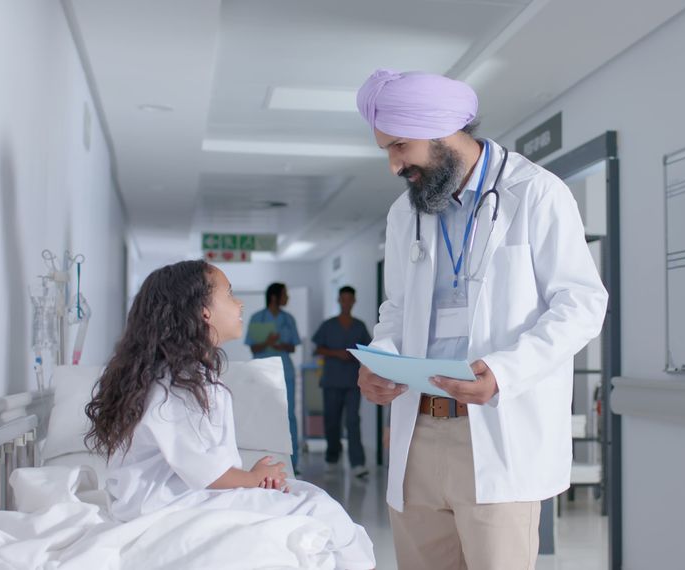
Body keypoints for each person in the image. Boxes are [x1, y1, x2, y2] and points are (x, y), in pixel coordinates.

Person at [355, 69, 609, 569]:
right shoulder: (407, 212)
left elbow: (581, 303)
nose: (394, 165)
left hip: (496, 430)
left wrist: (504, 372)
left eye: (400, 146)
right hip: (419, 432)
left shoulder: (536, 193)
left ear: (443, 133)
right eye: (387, 149)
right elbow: (397, 310)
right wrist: (381, 358)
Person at [83, 260, 375, 569]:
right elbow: (202, 470)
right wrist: (252, 478)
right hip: (167, 505)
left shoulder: (184, 376)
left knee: (310, 497)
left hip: (178, 494)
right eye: (230, 294)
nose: (240, 304)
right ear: (203, 311)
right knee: (318, 507)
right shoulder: (174, 386)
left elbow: (201, 460)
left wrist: (252, 477)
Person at [312, 286, 373, 478]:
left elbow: (369, 350)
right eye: (343, 299)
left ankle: (357, 463)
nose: (346, 303)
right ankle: (332, 457)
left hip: (352, 382)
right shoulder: (328, 325)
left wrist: (356, 355)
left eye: (350, 299)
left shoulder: (359, 326)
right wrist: (336, 353)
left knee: (353, 421)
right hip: (331, 380)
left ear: (354, 301)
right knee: (332, 422)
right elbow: (318, 349)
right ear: (339, 300)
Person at [247, 282, 302, 470]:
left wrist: (282, 345)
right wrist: (267, 342)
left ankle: (293, 463)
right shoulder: (257, 318)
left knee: (289, 417)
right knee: (264, 416)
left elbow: (293, 346)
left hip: (285, 371)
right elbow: (254, 347)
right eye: (285, 294)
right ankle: (265, 462)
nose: (287, 298)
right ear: (274, 297)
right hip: (262, 372)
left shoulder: (288, 319)